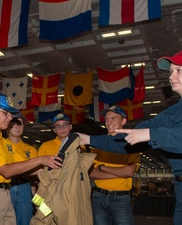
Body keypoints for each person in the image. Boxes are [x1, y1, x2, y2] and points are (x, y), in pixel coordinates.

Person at [77, 50, 182, 225]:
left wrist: (151, 134)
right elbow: (127, 141)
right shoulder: (171, 113)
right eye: (171, 71)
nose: (172, 76)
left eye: (178, 70)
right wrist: (89, 139)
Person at [0, 93, 62, 225]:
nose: (10, 117)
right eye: (5, 113)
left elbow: (23, 167)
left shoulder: (4, 142)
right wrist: (40, 159)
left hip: (6, 195)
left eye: (10, 114)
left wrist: (53, 168)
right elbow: (6, 171)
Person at [88, 106, 140, 225]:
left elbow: (129, 171)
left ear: (123, 121)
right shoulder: (98, 144)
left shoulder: (132, 143)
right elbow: (91, 173)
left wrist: (102, 167)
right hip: (98, 197)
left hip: (121, 199)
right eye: (106, 119)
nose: (109, 122)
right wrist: (120, 173)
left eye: (113, 118)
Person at [7, 116, 38, 225]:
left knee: (25, 221)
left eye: (20, 124)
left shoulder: (30, 149)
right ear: (7, 126)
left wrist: (33, 190)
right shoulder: (0, 146)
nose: (17, 127)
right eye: (13, 124)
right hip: (6, 188)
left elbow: (35, 172)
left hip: (24, 187)